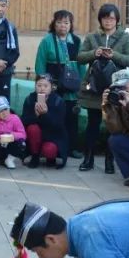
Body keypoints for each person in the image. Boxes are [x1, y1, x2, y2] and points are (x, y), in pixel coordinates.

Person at [77, 4, 129, 172]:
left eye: (111, 18)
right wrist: (93, 53)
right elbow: (80, 57)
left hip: (115, 87)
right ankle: (88, 159)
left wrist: (114, 55)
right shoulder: (92, 37)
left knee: (113, 126)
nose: (108, 21)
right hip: (94, 87)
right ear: (100, 20)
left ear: (117, 20)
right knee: (92, 124)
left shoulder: (124, 37)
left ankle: (110, 162)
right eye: (105, 18)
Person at [35, 10, 85, 158]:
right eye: (59, 22)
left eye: (66, 22)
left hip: (72, 87)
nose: (63, 25)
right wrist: (43, 87)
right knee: (55, 117)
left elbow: (82, 65)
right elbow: (40, 65)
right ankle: (54, 147)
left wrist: (82, 85)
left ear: (71, 25)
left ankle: (72, 148)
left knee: (72, 118)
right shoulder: (47, 41)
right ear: (54, 24)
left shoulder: (76, 41)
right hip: (54, 87)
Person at [21, 75, 68, 168]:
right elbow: (24, 121)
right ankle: (35, 156)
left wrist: (45, 114)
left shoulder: (58, 101)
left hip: (53, 136)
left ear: (52, 87)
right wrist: (36, 116)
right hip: (35, 135)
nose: (42, 88)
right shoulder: (30, 99)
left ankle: (51, 157)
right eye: (39, 85)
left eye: (45, 86)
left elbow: (58, 125)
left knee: (49, 150)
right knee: (32, 128)